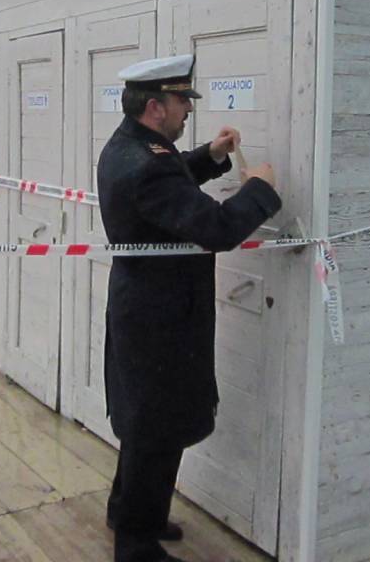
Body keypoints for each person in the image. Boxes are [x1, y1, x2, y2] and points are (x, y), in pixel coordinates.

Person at [97, 54, 281, 562]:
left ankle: (131, 513)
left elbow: (169, 182)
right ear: (155, 106)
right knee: (155, 425)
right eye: (181, 103)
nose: (187, 112)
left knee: (148, 420)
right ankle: (134, 544)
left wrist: (212, 156)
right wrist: (259, 189)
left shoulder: (133, 146)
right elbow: (217, 228)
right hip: (160, 315)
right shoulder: (147, 163)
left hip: (152, 306)